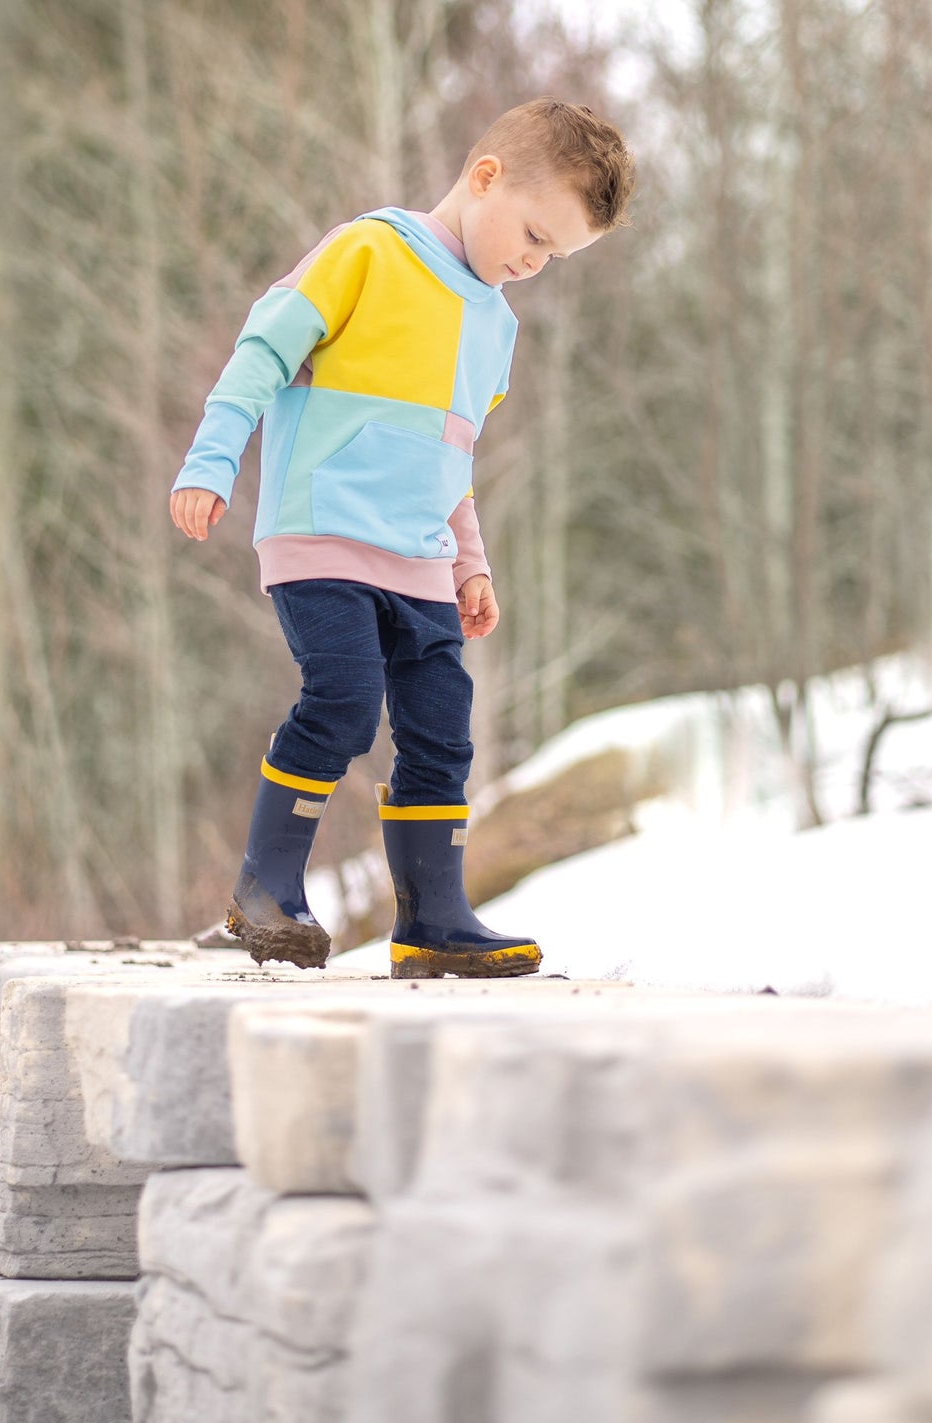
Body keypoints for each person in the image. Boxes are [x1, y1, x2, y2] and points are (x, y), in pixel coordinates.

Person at [170, 97, 635, 978]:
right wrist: (210, 461)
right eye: (533, 235)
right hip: (324, 537)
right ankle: (265, 889)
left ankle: (433, 919)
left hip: (422, 558)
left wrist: (471, 565)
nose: (534, 263)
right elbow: (259, 354)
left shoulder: (495, 324)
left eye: (554, 257)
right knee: (343, 700)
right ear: (485, 176)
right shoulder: (368, 251)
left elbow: (448, 456)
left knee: (440, 731)